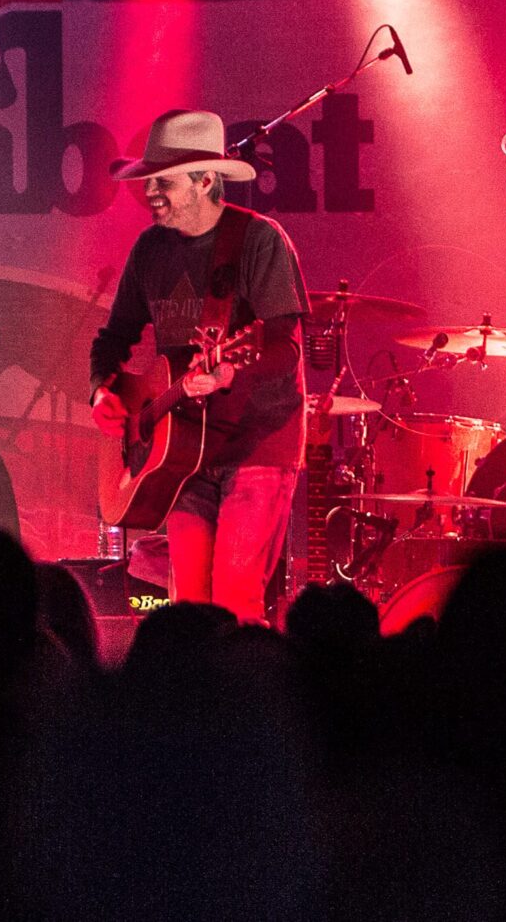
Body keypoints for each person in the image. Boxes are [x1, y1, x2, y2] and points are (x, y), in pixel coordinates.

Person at [90, 109, 305, 624]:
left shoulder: (258, 240)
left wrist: (233, 373)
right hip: (183, 455)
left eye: (163, 181)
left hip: (258, 443)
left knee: (236, 603)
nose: (150, 193)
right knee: (190, 612)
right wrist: (103, 391)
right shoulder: (150, 250)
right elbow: (113, 338)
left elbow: (285, 348)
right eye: (148, 182)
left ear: (207, 179)